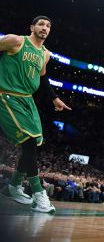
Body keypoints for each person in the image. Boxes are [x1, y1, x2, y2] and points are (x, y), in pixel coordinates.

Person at [0, 16, 71, 212]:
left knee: (33, 144)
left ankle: (13, 187)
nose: (45, 28)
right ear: (32, 27)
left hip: (27, 100)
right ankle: (39, 194)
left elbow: (43, 77)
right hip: (7, 96)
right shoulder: (16, 40)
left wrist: (54, 98)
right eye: (41, 24)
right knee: (29, 143)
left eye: (48, 25)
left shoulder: (45, 54)